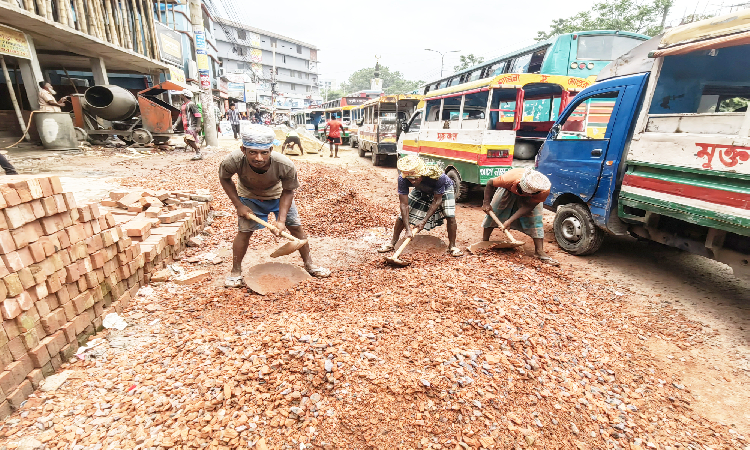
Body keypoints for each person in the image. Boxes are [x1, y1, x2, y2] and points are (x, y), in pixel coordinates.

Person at [219, 126, 331, 287]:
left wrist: (281, 220)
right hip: (249, 197)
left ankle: (309, 264)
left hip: (279, 197)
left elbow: (288, 191)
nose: (259, 158)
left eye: (264, 152)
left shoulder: (284, 164)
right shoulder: (233, 160)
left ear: (271, 149)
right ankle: (235, 271)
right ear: (243, 149)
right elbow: (224, 178)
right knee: (244, 232)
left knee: (296, 228)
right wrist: (238, 205)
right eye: (252, 152)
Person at [378, 155, 463, 257]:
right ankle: (392, 243)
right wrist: (408, 229)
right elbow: (404, 205)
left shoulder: (438, 177)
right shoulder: (403, 178)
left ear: (422, 174)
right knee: (401, 217)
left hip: (443, 189)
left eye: (415, 178)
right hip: (421, 189)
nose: (412, 181)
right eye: (409, 179)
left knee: (450, 215)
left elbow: (437, 200)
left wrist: (423, 221)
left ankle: (452, 246)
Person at [481, 167, 558, 265]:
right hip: (508, 191)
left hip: (531, 200)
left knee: (535, 219)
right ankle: (484, 241)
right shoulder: (508, 179)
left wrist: (509, 221)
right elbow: (489, 183)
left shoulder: (543, 190)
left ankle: (539, 251)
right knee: (496, 211)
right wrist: (486, 203)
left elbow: (528, 207)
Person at [178, 90, 203, 160]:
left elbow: (198, 115)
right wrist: (175, 125)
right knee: (191, 140)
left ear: (184, 95)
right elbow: (180, 116)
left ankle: (198, 152)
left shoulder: (191, 104)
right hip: (186, 126)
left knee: (189, 139)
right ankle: (199, 153)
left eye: (181, 95)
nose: (180, 96)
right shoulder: (183, 105)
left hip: (192, 125)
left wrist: (198, 126)